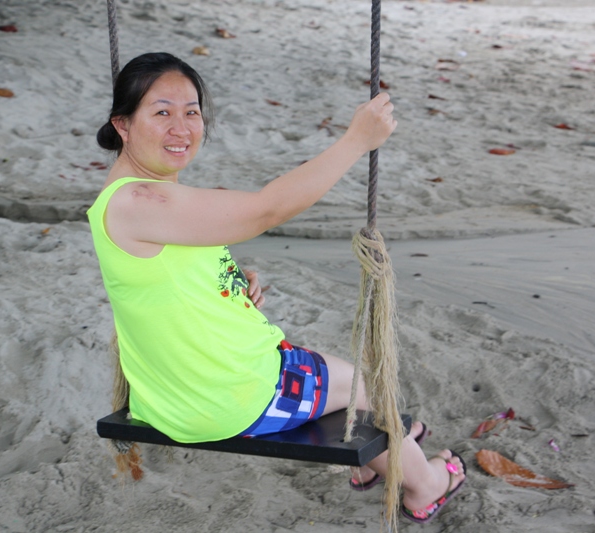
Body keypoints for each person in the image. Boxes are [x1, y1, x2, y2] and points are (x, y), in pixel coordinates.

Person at [88, 52, 465, 524]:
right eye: (161, 112)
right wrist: (355, 142)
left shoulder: (134, 194)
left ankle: (379, 462)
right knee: (367, 385)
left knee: (333, 377)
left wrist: (229, 286)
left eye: (192, 112)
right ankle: (424, 486)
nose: (181, 128)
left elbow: (168, 274)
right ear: (123, 125)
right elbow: (266, 211)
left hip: (171, 394)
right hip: (226, 396)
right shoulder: (138, 200)